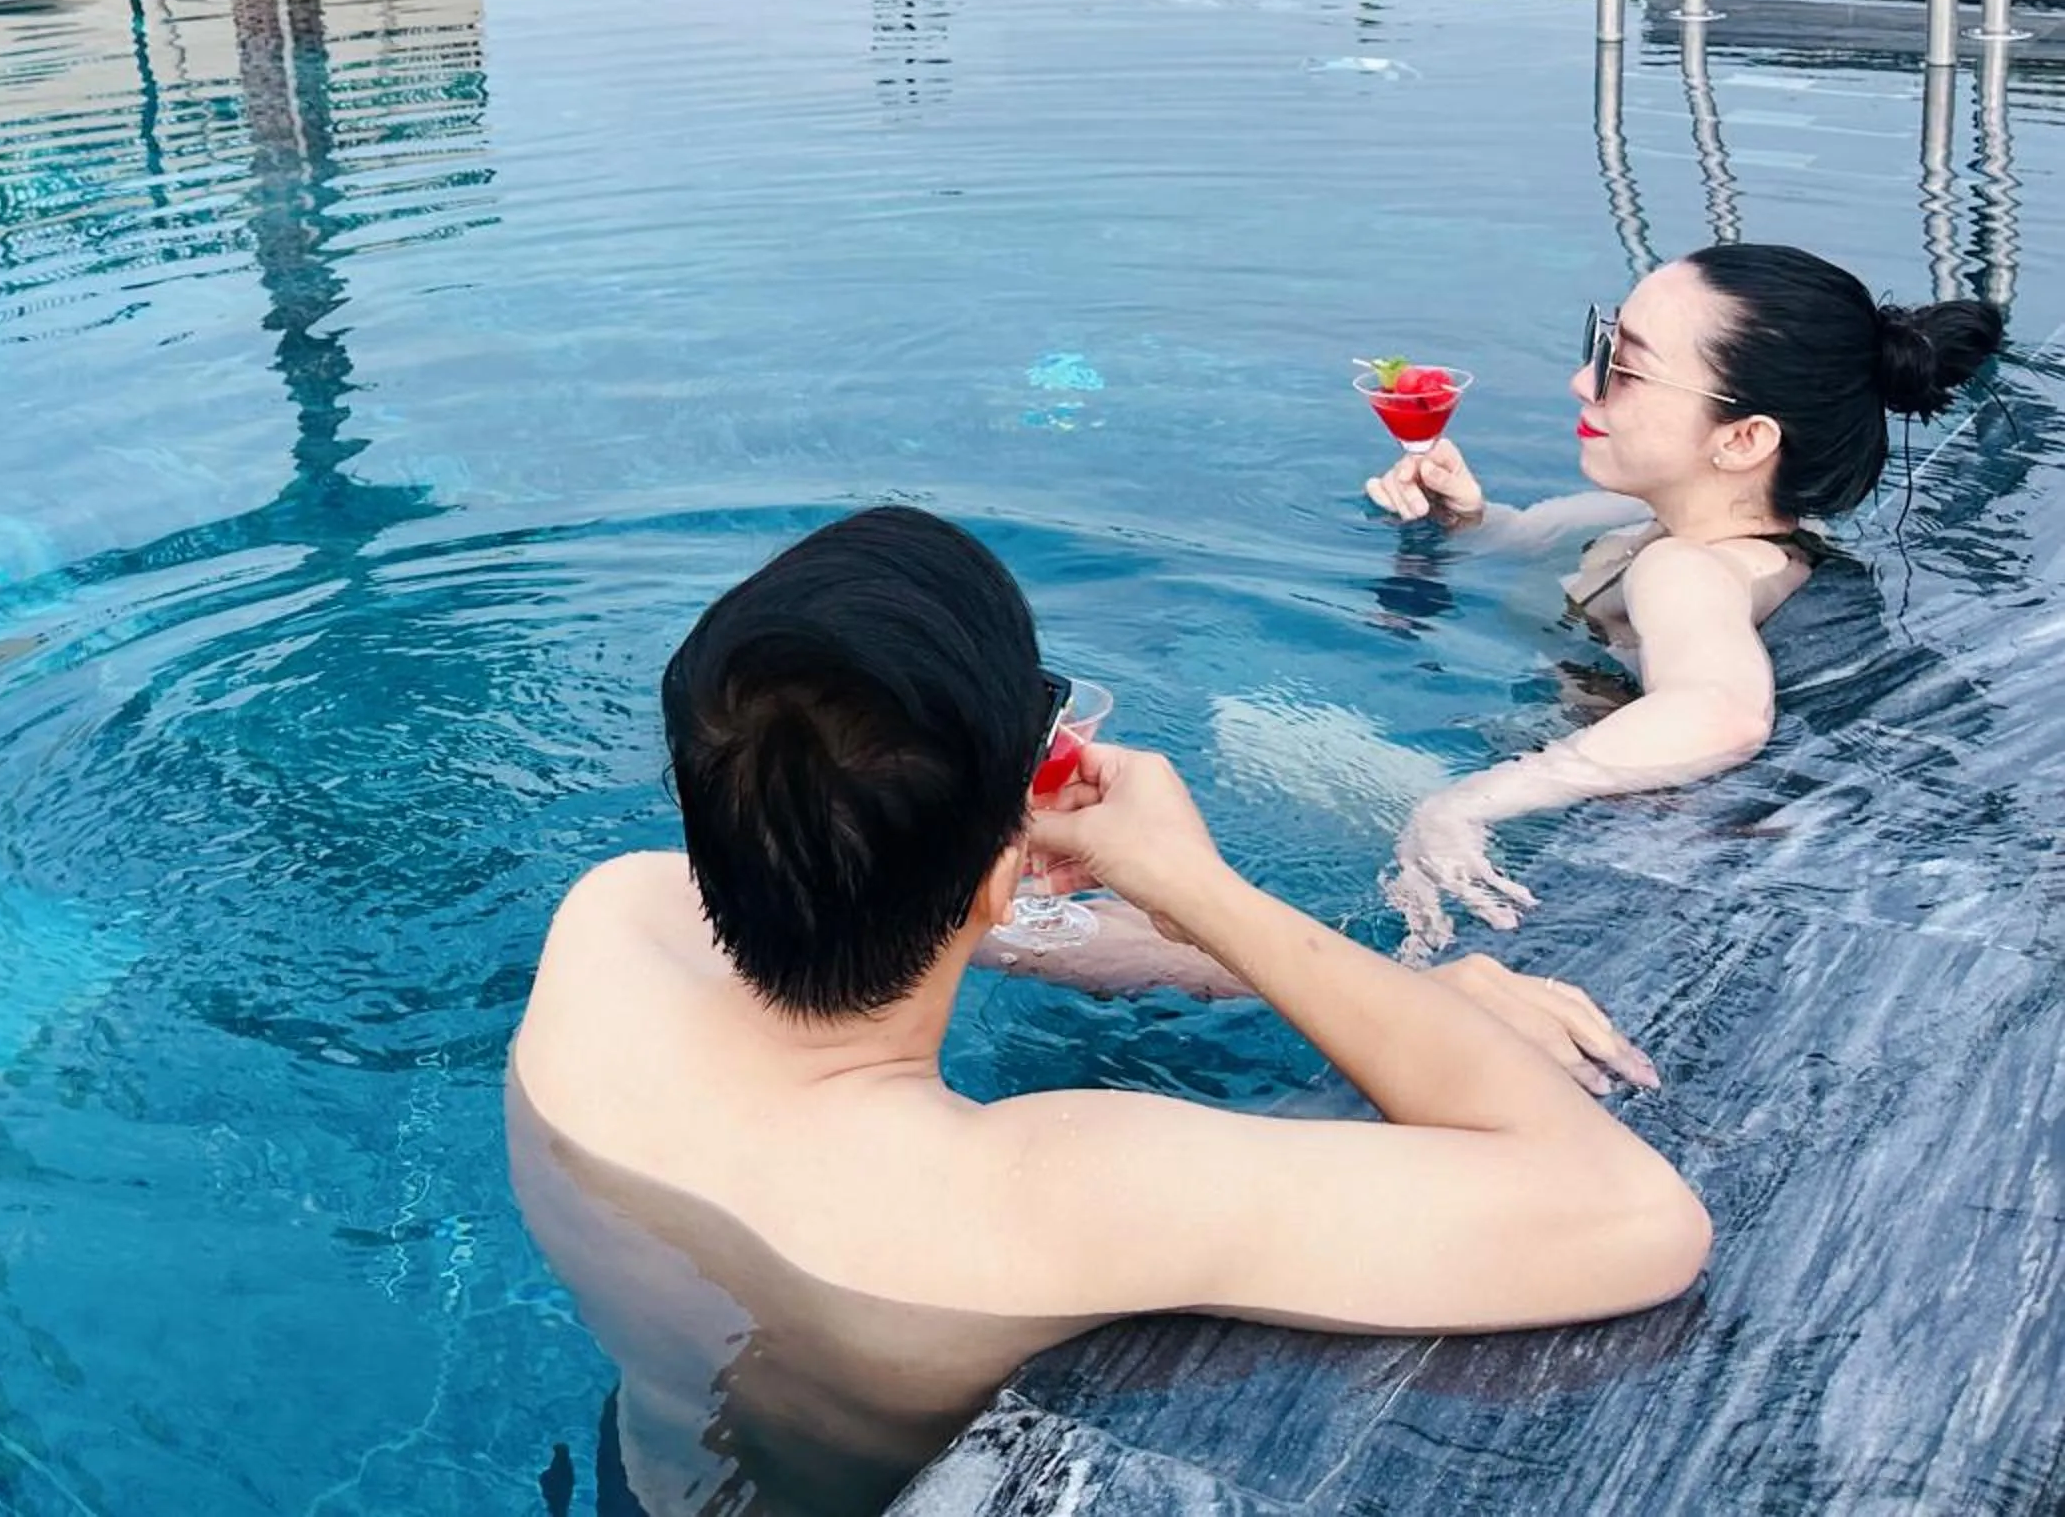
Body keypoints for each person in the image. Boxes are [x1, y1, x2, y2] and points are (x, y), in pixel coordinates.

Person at [510, 507, 1710, 1517]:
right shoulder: (1048, 1188)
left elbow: (995, 928)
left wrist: (1343, 985)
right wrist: (1196, 883)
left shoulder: (614, 926)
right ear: (996, 871)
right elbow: (1634, 1218)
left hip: (643, 1476)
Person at [1362, 244, 2002, 954]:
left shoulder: (1686, 568)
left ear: (1743, 439)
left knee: (1248, 740)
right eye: (1600, 345)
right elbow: (1517, 537)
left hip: (1654, 835)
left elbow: (1721, 714)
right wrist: (1466, 517)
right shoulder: (1647, 524)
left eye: (1623, 370)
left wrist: (1467, 804)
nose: (1583, 382)